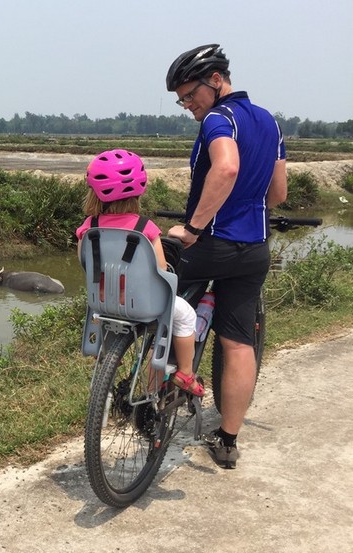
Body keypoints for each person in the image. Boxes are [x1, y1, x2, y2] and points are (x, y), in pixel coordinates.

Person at [165, 44, 288, 469]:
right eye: (181, 100)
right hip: (254, 248)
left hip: (210, 244)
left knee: (165, 314)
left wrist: (194, 227)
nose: (187, 105)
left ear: (215, 81)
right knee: (238, 341)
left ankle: (149, 406)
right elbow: (278, 194)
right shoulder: (270, 122)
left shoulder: (220, 118)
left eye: (190, 96)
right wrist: (248, 212)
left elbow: (227, 167)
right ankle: (227, 440)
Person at [76, 149, 203, 397]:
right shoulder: (145, 228)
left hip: (103, 302)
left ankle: (108, 355)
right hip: (145, 305)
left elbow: (84, 261)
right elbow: (162, 269)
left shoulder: (88, 227)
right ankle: (186, 374)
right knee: (186, 314)